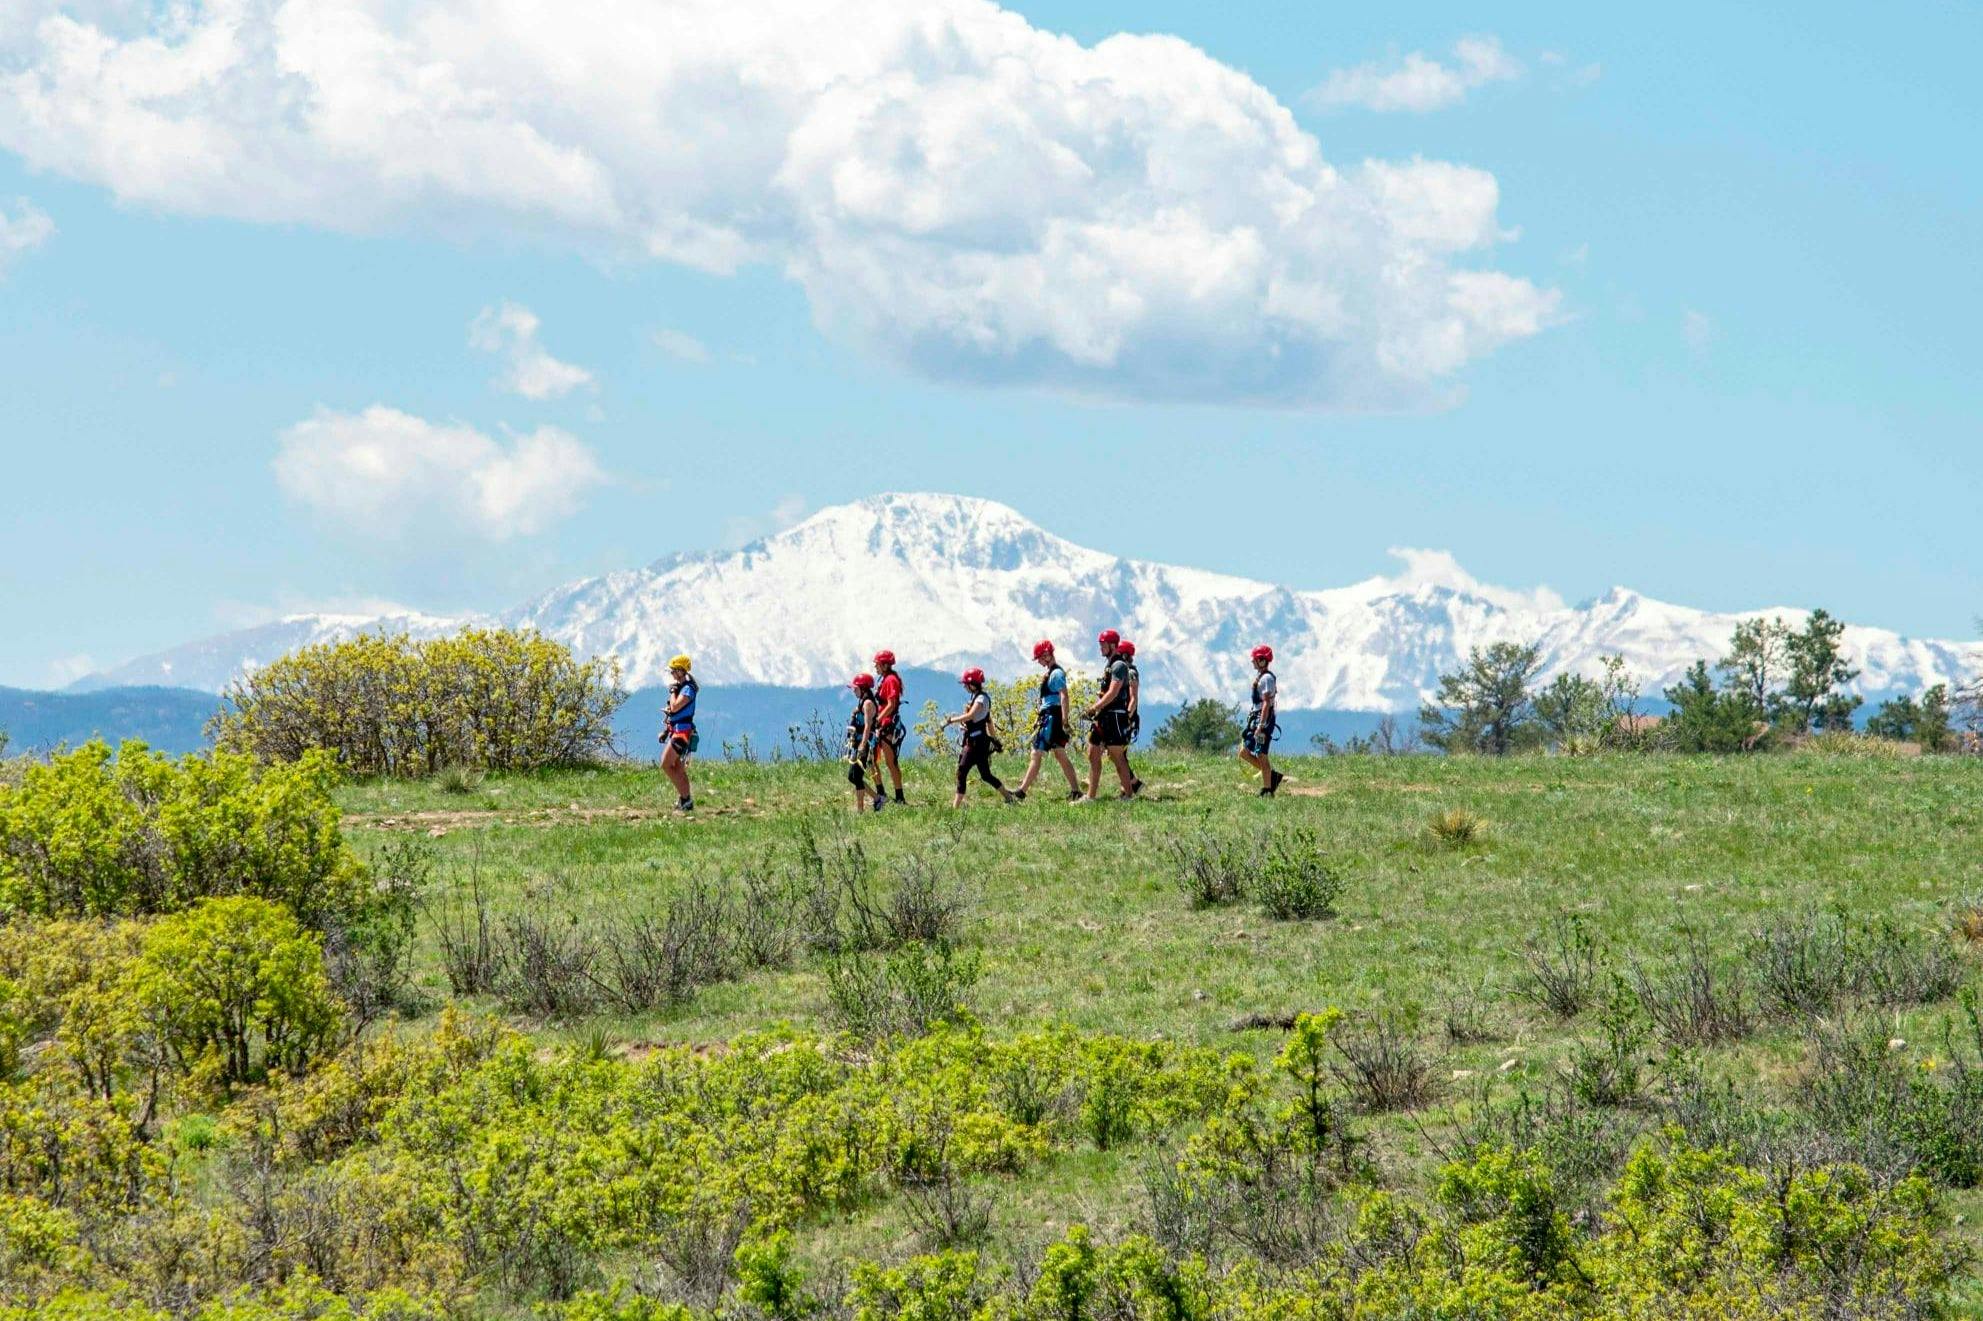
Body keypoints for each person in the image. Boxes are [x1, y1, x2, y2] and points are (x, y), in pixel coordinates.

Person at [1012, 639, 1083, 802]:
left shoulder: (1056, 674)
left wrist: (1065, 721)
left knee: (1036, 753)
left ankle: (1021, 792)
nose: (1038, 662)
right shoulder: (1051, 673)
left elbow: (1064, 695)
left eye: (1039, 658)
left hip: (1052, 718)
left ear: (1047, 655)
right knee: (1060, 754)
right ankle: (1075, 791)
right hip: (1051, 717)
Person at [942, 667, 1017, 807]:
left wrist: (951, 720)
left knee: (962, 771)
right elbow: (987, 721)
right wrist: (994, 739)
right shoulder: (979, 698)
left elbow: (971, 716)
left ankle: (955, 807)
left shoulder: (981, 699)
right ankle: (1009, 798)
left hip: (975, 743)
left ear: (972, 684)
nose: (964, 686)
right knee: (985, 775)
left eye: (966, 684)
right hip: (980, 742)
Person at [1080, 629, 1140, 801]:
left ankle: (1128, 795)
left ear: (1112, 645)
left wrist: (1093, 708)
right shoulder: (1110, 665)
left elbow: (1113, 692)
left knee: (1117, 756)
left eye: (1103, 645)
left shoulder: (1119, 666)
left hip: (1114, 716)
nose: (1100, 648)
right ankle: (1090, 796)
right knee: (1092, 753)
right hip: (1103, 716)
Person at [1239, 644, 1284, 796]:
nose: (1252, 662)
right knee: (1244, 752)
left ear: (1262, 661)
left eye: (1255, 659)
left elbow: (1266, 703)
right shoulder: (1263, 677)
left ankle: (1267, 789)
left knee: (1261, 754)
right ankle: (1272, 778)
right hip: (1258, 720)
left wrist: (1261, 725)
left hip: (1262, 721)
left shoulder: (1266, 679)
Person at [659, 654, 698, 813]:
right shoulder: (682, 688)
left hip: (682, 733)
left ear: (682, 671)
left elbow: (675, 707)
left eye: (674, 671)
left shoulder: (687, 689)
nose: (672, 674)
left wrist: (673, 692)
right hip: (676, 730)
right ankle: (685, 800)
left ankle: (685, 799)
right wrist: (666, 730)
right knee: (678, 769)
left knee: (666, 764)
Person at [872, 649, 907, 807]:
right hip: (883, 724)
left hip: (887, 726)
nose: (876, 667)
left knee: (890, 762)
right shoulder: (885, 679)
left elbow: (892, 704)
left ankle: (899, 797)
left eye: (877, 664)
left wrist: (877, 720)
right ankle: (882, 792)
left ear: (885, 665)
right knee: (874, 760)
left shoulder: (890, 680)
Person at [844, 672, 883, 812]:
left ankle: (860, 810)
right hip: (859, 742)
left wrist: (862, 746)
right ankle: (877, 798)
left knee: (857, 776)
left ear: (863, 688)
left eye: (855, 688)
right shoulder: (863, 702)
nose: (853, 690)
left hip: (864, 744)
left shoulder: (867, 703)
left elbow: (867, 726)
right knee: (852, 776)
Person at [1117, 639, 1142, 745]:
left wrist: (1126, 719)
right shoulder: (1122, 671)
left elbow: (1133, 698)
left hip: (1125, 716)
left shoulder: (1130, 673)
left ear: (1124, 655)